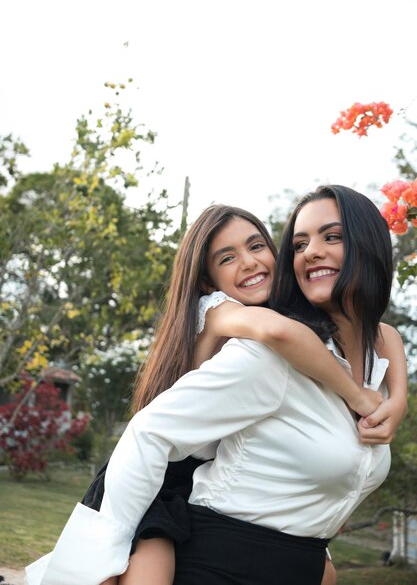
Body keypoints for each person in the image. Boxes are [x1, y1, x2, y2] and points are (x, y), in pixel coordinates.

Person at [26, 194, 407, 585]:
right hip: (163, 484)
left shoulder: (347, 351)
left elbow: (385, 334)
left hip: (233, 509)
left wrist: (398, 399)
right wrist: (357, 396)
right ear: (208, 278)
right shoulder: (231, 319)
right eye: (299, 244)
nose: (310, 253)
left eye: (258, 246)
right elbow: (277, 334)